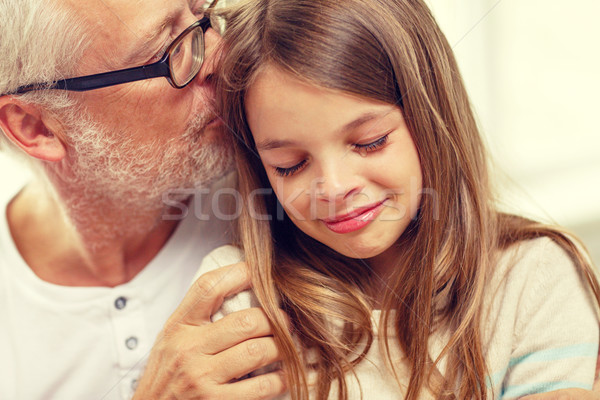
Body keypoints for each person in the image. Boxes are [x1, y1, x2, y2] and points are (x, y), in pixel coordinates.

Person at [195, 0, 600, 398]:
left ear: (433, 116)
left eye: (370, 142)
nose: (334, 187)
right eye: (290, 164)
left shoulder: (536, 279)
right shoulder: (241, 298)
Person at [0, 0, 286, 399]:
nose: (222, 54)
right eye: (169, 52)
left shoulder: (288, 184)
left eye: (202, 14)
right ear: (37, 127)